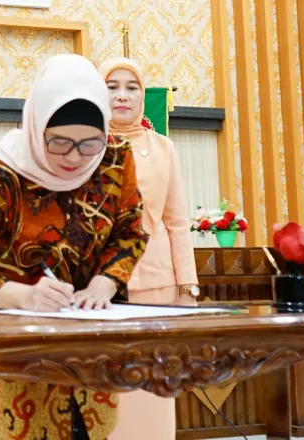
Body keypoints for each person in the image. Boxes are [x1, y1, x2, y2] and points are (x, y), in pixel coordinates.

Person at [0, 54, 147, 440]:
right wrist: (23, 296)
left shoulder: (115, 157)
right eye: (59, 142)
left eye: (89, 143)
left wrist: (103, 284)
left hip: (89, 351)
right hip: (13, 356)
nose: (74, 157)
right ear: (37, 127)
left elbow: (129, 234)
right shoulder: (5, 168)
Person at [99, 57, 199, 440]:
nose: (122, 96)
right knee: (109, 389)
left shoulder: (163, 148)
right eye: (112, 87)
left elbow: (177, 222)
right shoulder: (85, 145)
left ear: (143, 96)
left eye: (131, 87)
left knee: (155, 386)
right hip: (100, 287)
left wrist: (187, 287)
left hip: (157, 284)